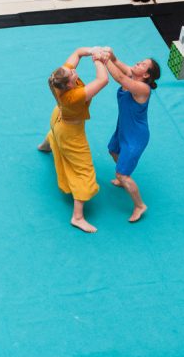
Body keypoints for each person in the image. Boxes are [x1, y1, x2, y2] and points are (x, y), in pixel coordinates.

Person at [38, 47, 110, 233]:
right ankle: (77, 217)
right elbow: (103, 80)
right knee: (84, 171)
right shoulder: (74, 95)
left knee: (54, 134)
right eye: (72, 74)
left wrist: (91, 50)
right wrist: (98, 59)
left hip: (58, 118)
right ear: (70, 85)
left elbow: (77, 53)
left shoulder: (56, 79)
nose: (74, 71)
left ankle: (45, 146)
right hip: (71, 132)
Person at [104, 50, 158, 223]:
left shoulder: (142, 88)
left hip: (136, 137)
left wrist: (104, 60)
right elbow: (118, 62)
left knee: (123, 174)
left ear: (146, 74)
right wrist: (110, 55)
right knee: (113, 151)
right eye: (140, 60)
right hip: (123, 129)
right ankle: (122, 173)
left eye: (143, 64)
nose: (138, 62)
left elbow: (119, 78)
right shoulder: (132, 76)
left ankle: (140, 205)